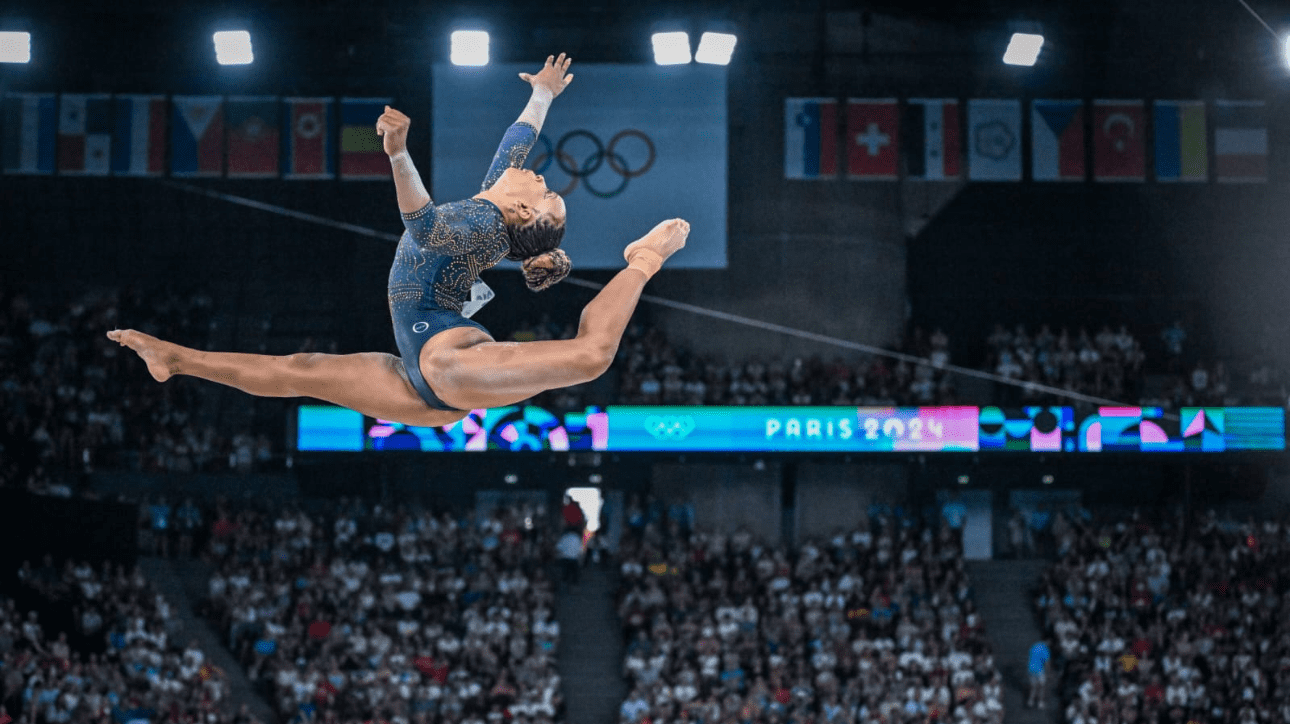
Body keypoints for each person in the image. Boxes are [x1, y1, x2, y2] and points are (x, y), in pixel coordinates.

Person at [107, 53, 689, 427]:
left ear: (519, 208)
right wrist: (542, 94)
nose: (540, 175)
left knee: (591, 355)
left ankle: (641, 260)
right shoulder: (496, 202)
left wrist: (397, 153)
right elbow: (515, 144)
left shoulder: (482, 223)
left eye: (544, 189)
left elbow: (424, 226)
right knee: (298, 370)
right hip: (425, 378)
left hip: (443, 364)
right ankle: (174, 358)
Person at [1027, 638, 1050, 709]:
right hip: (1040, 670)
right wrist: (1048, 673)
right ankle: (1040, 702)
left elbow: (1030, 656)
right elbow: (1047, 663)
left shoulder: (1034, 646)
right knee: (1042, 687)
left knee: (1033, 686)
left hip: (1031, 669)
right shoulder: (1045, 649)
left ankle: (1030, 701)